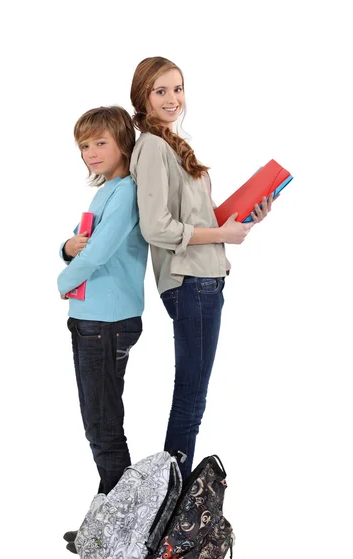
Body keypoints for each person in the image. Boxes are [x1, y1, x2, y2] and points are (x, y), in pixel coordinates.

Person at [129, 57, 273, 480]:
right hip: (190, 281)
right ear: (143, 97)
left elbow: (201, 217)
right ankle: (168, 509)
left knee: (193, 397)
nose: (173, 99)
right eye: (161, 91)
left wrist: (244, 218)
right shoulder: (153, 146)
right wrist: (221, 236)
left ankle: (168, 507)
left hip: (206, 278)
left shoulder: (172, 143)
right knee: (190, 399)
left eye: (178, 89)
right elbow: (156, 227)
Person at [57, 106, 148, 498]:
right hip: (90, 319)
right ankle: (109, 519)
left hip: (105, 322)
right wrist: (65, 248)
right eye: (84, 146)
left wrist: (63, 280)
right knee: (99, 421)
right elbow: (79, 243)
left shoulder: (126, 191)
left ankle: (122, 526)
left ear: (122, 142)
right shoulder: (106, 191)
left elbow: (96, 254)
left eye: (100, 143)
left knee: (103, 424)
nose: (91, 152)